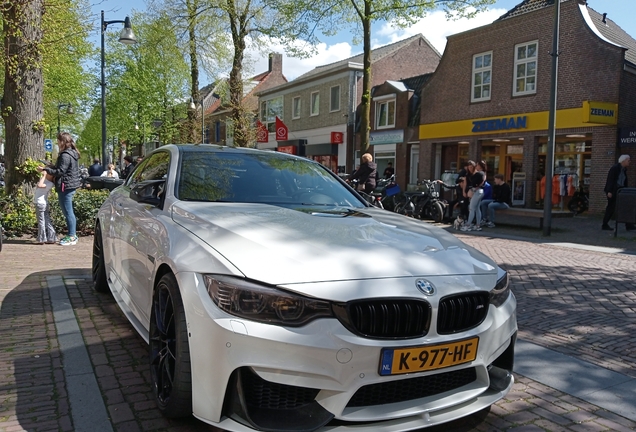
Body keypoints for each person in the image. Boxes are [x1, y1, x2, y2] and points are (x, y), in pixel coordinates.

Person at [39, 132, 81, 246]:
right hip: (69, 185)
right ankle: (72, 235)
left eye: (58, 141)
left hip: (65, 185)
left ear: (63, 141)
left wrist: (46, 169)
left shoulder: (65, 155)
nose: (57, 143)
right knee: (68, 211)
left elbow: (60, 172)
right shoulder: (72, 153)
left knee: (68, 212)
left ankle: (72, 236)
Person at [602, 154, 634, 231]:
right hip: (614, 191)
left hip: (621, 191)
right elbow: (610, 179)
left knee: (626, 207)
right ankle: (605, 224)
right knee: (611, 208)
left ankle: (628, 224)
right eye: (628, 160)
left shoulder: (624, 169)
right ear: (623, 161)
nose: (629, 162)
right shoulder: (615, 168)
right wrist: (609, 191)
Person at [462, 161, 487, 232]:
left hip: (476, 191)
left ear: (480, 166)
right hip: (481, 191)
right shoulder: (483, 173)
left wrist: (471, 189)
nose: (476, 166)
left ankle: (468, 225)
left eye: (477, 165)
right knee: (477, 208)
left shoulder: (479, 173)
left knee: (471, 208)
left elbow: (474, 183)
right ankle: (477, 225)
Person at [33, 171, 56, 244]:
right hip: (42, 203)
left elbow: (39, 185)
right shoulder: (46, 181)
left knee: (41, 221)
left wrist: (44, 175)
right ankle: (51, 237)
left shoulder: (50, 183)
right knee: (46, 220)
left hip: (40, 203)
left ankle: (42, 238)